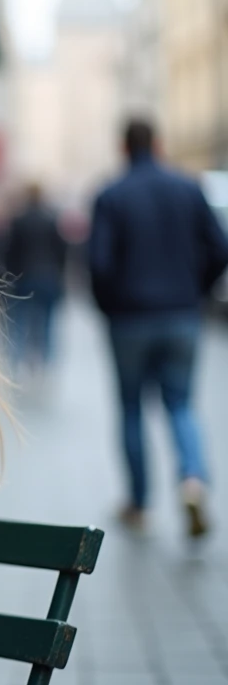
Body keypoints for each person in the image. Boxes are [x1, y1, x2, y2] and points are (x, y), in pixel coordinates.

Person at [89, 118, 228, 538]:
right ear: (160, 143)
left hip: (129, 320)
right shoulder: (189, 189)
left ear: (123, 147)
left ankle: (138, 502)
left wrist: (110, 307)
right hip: (182, 316)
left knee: (131, 409)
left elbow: (98, 263)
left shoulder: (111, 195)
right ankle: (192, 479)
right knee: (181, 404)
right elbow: (221, 249)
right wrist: (195, 291)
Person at [3, 183, 68, 371]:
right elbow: (62, 250)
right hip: (49, 277)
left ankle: (18, 362)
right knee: (47, 323)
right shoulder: (52, 219)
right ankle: (46, 363)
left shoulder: (19, 220)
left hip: (24, 277)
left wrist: (11, 275)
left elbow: (11, 251)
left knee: (21, 322)